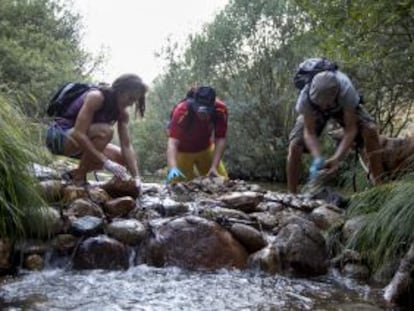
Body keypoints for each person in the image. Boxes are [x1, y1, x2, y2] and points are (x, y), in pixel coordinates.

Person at [287, 59, 384, 193]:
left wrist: (336, 158)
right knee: (295, 145)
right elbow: (309, 132)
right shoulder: (305, 98)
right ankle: (291, 194)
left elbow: (351, 130)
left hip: (342, 106)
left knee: (370, 130)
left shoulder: (346, 91)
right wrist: (317, 158)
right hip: (314, 107)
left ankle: (380, 187)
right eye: (319, 103)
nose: (323, 107)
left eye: (325, 104)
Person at [46, 73, 147, 188]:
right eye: (130, 98)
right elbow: (79, 133)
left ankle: (71, 175)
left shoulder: (122, 113)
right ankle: (79, 179)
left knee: (120, 157)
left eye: (134, 101)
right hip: (59, 137)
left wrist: (136, 177)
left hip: (79, 143)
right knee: (106, 132)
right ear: (120, 90)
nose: (130, 104)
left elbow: (126, 146)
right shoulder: (96, 97)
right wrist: (106, 161)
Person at [165, 86, 228, 183]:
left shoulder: (220, 110)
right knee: (177, 186)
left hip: (205, 148)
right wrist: (173, 167)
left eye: (206, 110)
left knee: (223, 182)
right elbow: (172, 143)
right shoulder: (182, 110)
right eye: (199, 109)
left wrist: (214, 167)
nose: (202, 114)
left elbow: (220, 139)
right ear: (194, 103)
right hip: (182, 152)